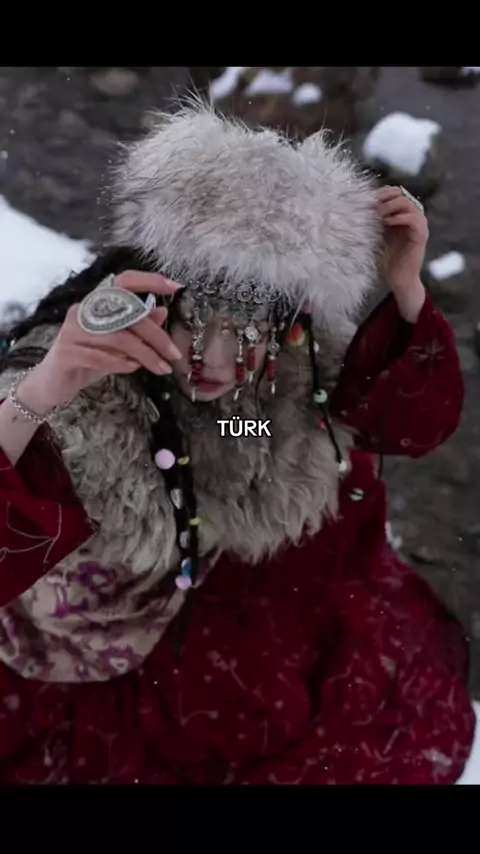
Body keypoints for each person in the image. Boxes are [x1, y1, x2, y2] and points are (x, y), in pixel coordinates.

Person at [0, 105, 475, 785]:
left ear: (285, 318)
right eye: (195, 325)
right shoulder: (91, 372)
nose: (216, 364)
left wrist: (403, 286)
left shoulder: (300, 361)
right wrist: (43, 388)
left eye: (246, 331)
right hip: (119, 643)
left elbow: (412, 427)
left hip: (244, 595)